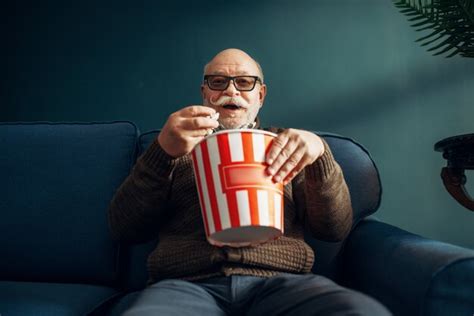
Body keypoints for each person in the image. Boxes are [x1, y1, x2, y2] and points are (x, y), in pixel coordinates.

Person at [108, 48, 391, 315]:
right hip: (187, 285)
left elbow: (334, 229)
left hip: (281, 282)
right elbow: (125, 227)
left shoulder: (290, 147)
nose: (231, 90)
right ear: (204, 93)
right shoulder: (173, 147)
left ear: (261, 95)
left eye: (244, 82)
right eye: (218, 82)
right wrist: (162, 153)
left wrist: (320, 156)